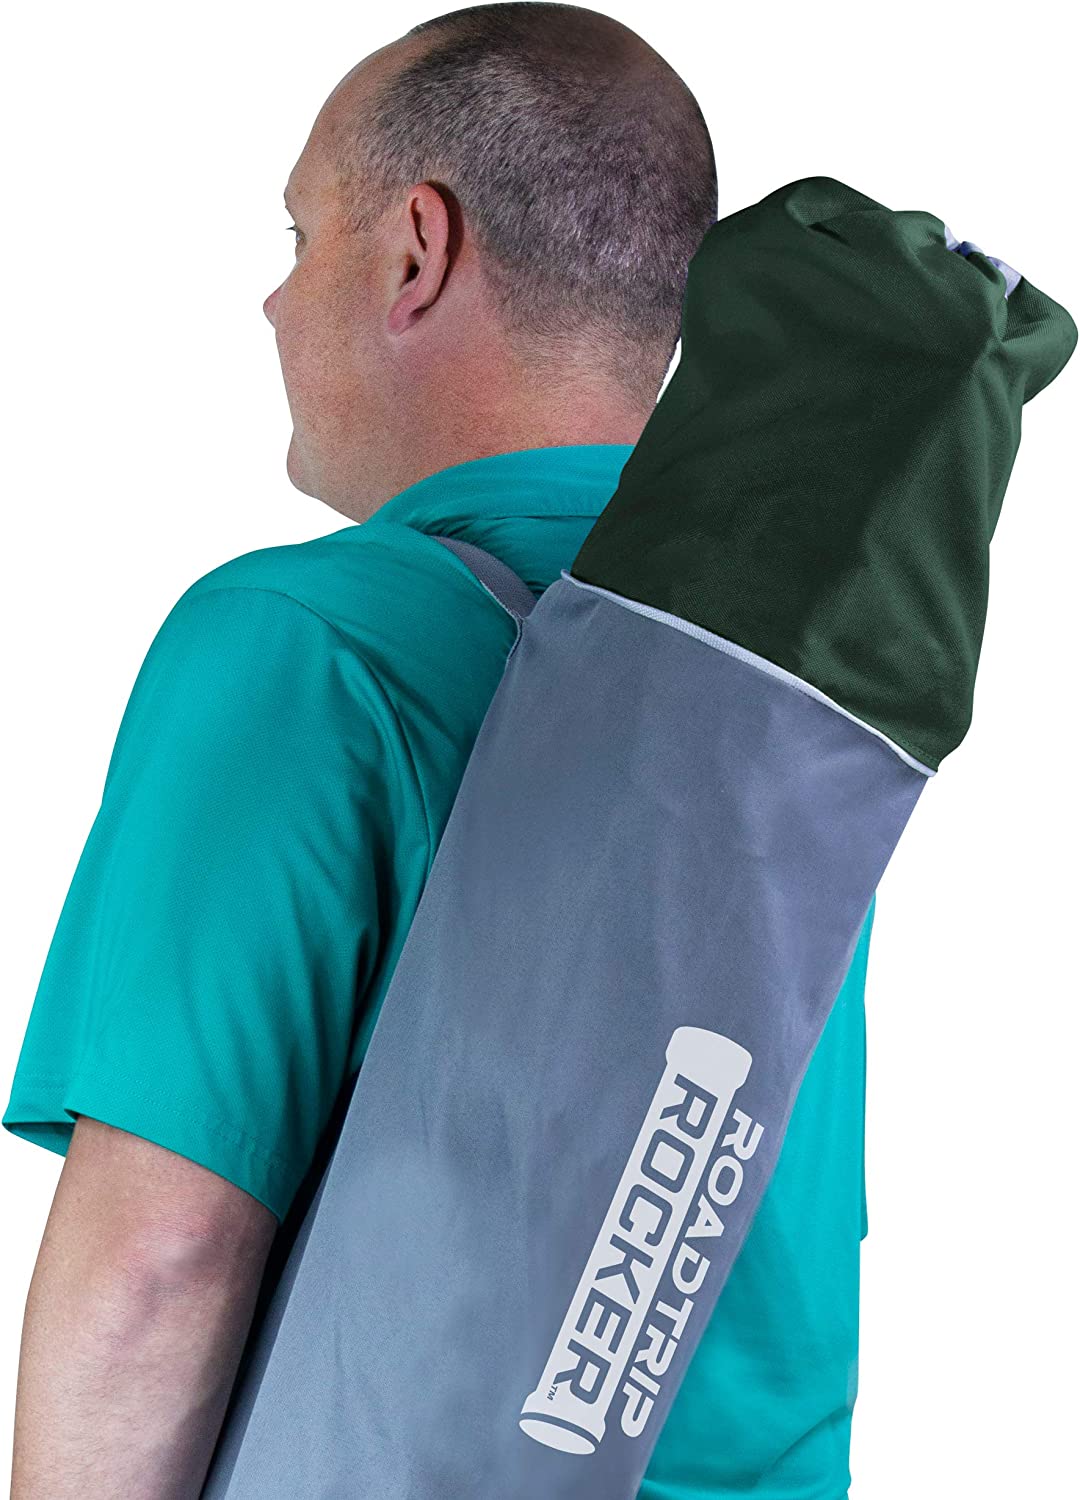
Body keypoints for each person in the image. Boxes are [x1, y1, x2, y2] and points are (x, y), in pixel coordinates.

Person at [3, 6, 873, 1496]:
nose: (273, 300)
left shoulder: (303, 643)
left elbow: (160, 1257)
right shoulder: (774, 688)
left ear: (417, 248)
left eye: (299, 235)